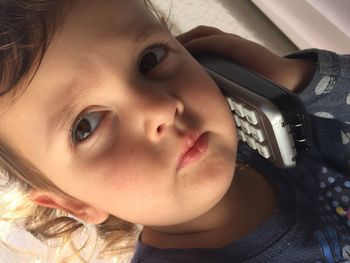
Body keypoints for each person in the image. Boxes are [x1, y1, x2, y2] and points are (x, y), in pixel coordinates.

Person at [0, 0, 349, 262]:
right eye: (85, 127)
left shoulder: (293, 120)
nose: (160, 108)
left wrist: (302, 79)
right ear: (74, 203)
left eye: (149, 59)